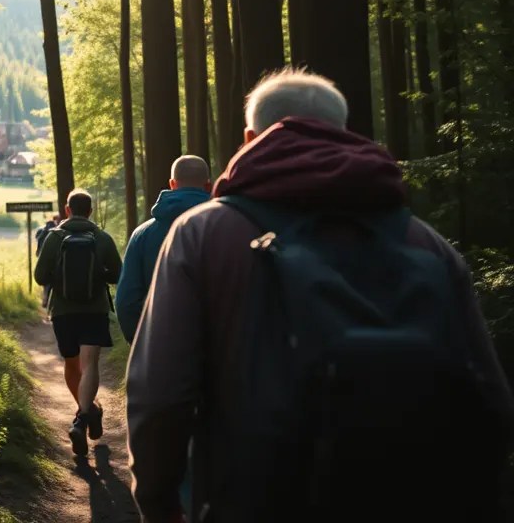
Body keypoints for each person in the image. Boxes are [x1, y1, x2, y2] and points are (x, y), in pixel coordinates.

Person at [126, 68, 514, 523]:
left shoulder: (207, 233)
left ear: (250, 138)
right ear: (344, 135)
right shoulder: (425, 243)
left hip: (257, 499)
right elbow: (489, 398)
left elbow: (161, 394)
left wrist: (158, 502)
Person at [35, 189, 122, 457]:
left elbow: (40, 277)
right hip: (94, 311)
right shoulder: (102, 238)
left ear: (67, 210)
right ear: (91, 211)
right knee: (90, 364)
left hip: (63, 311)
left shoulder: (54, 237)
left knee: (73, 365)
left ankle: (83, 418)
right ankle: (87, 414)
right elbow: (117, 274)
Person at [115, 155, 211, 344]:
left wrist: (140, 344)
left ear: (172, 184)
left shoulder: (143, 234)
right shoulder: (232, 225)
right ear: (208, 186)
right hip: (221, 347)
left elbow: (127, 300)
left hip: (160, 343)